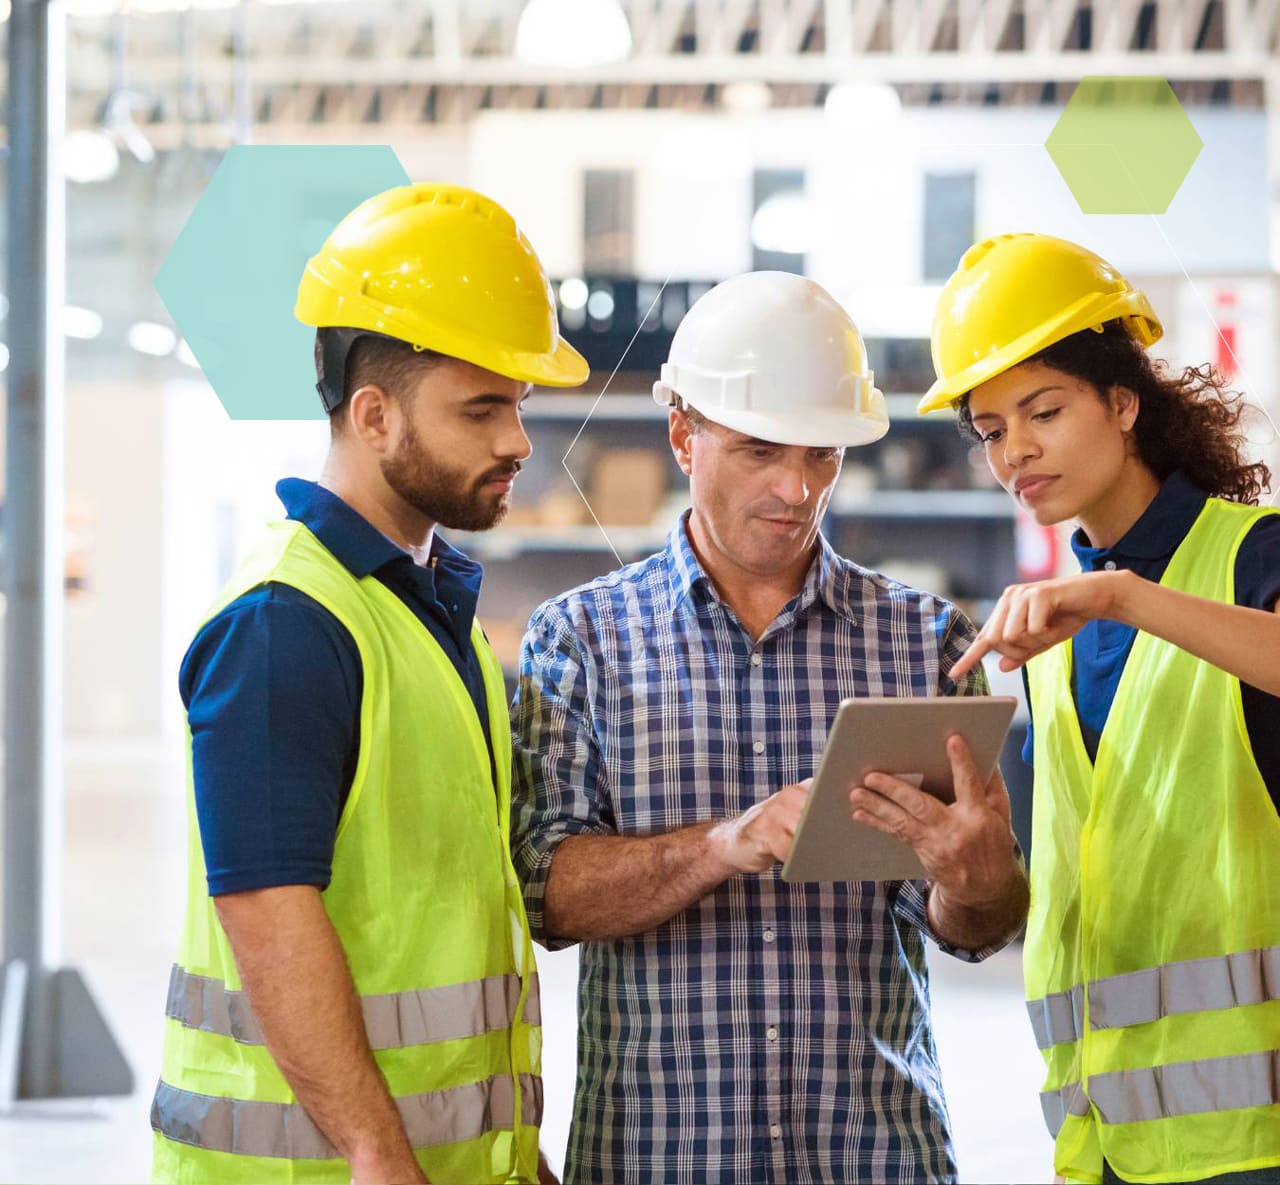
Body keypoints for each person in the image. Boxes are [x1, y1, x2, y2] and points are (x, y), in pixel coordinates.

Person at [511, 270, 1029, 1185]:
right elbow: (546, 893)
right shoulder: (582, 640)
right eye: (760, 450)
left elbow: (971, 927)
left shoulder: (925, 641)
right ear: (685, 435)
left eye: (822, 454)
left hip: (875, 1159)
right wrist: (726, 843)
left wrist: (982, 880)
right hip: (659, 1161)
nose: (798, 487)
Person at [150, 183, 588, 1185]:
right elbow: (266, 910)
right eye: (480, 408)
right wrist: (377, 1152)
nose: (516, 440)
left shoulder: (427, 616)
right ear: (374, 413)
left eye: (516, 406)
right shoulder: (285, 626)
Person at [919, 232, 1280, 1185]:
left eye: (1043, 410)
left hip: (1255, 1143)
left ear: (1123, 405)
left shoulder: (1254, 558)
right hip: (1106, 1144)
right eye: (991, 429)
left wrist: (1123, 594)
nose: (1016, 452)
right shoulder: (1052, 636)